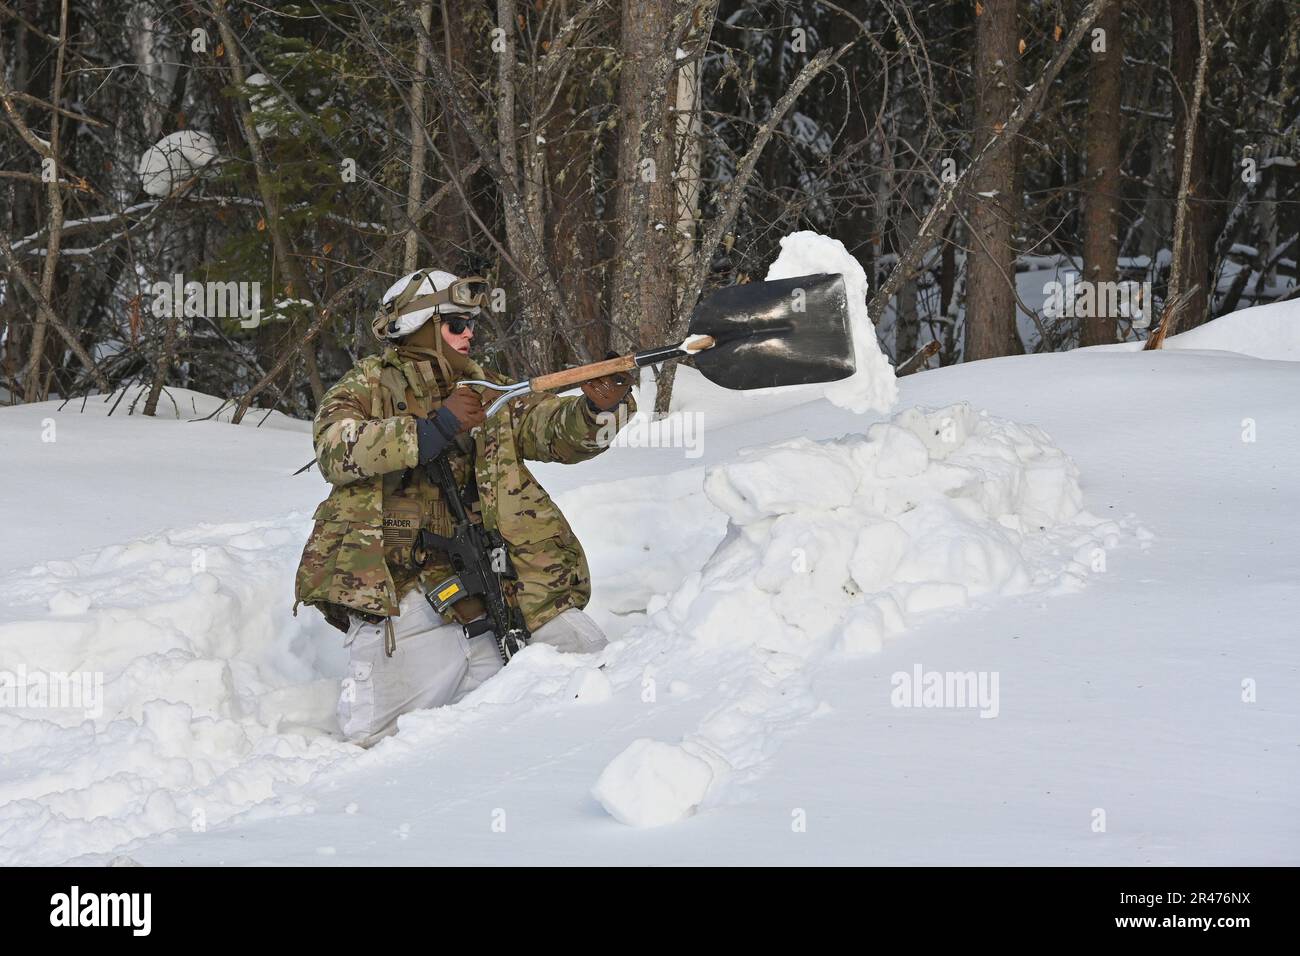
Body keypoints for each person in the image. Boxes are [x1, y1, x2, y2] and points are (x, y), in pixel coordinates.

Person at [294, 269, 634, 746]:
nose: (470, 333)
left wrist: (600, 408)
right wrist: (433, 429)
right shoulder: (370, 385)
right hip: (406, 594)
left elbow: (555, 433)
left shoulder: (488, 388)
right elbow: (335, 449)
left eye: (473, 323)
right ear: (420, 325)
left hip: (501, 584)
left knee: (597, 680)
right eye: (456, 324)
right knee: (378, 745)